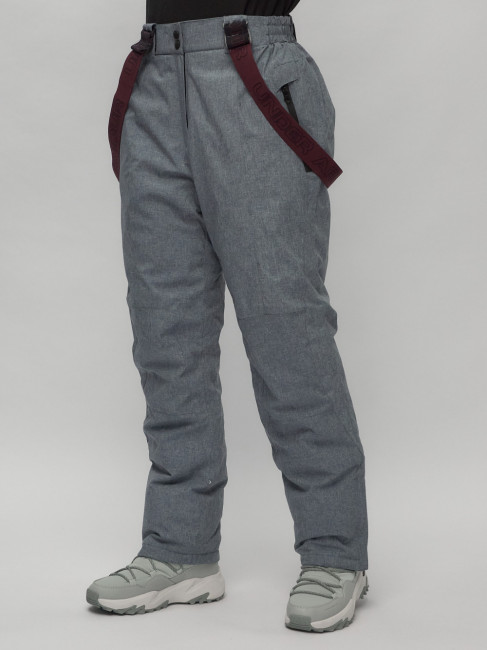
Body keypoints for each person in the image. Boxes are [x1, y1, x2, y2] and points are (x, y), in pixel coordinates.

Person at [86, 0, 369, 633]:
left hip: (251, 69)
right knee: (166, 333)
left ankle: (335, 552)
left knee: (285, 328)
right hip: (154, 71)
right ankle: (179, 548)